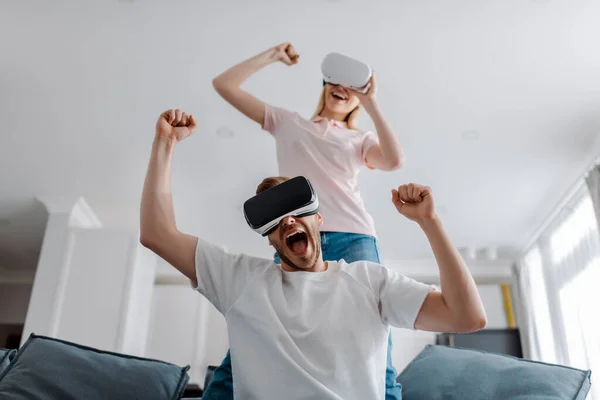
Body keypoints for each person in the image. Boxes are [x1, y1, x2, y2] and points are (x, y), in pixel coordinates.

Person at [140, 109, 487, 400]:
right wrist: (164, 143)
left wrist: (430, 222)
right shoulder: (239, 280)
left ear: (319, 220)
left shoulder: (370, 281)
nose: (287, 219)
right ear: (271, 239)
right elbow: (158, 234)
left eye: (295, 209)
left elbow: (466, 317)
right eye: (274, 219)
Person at [211, 42, 408, 399]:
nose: (343, 90)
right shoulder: (288, 123)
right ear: (324, 86)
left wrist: (371, 100)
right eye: (337, 84)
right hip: (294, 234)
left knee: (374, 328)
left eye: (353, 91)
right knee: (259, 325)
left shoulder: (358, 138)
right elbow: (224, 85)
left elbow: (394, 160)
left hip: (353, 236)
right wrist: (271, 56)